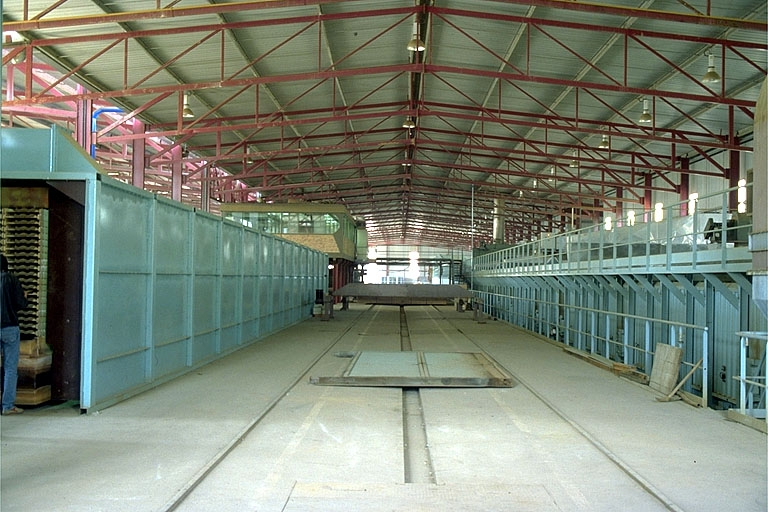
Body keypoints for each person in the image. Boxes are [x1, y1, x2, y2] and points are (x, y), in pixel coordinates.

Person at [1, 254, 28, 415]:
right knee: (10, 368)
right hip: (10, 328)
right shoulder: (12, 280)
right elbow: (20, 303)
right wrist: (25, 297)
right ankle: (7, 406)